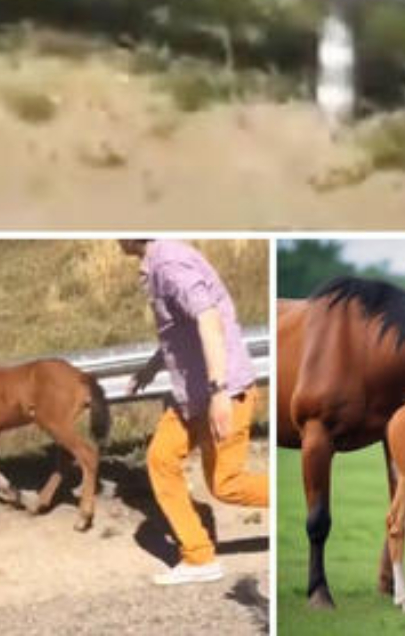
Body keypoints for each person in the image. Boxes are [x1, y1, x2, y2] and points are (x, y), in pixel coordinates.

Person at [121, 238, 268, 585]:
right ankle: (199, 557)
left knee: (226, 484)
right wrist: (151, 368)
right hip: (193, 395)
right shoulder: (162, 261)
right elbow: (181, 331)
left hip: (222, 392)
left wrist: (219, 391)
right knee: (161, 459)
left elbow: (208, 320)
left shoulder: (169, 264)